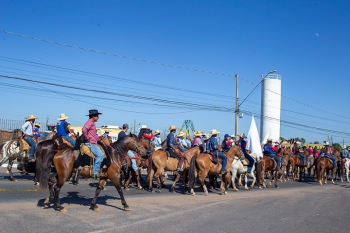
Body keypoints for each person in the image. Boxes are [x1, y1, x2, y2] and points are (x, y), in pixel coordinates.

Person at [82, 109, 104, 178]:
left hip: (93, 142)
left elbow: (92, 135)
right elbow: (83, 129)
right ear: (93, 116)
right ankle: (95, 172)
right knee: (100, 155)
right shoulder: (90, 122)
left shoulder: (91, 123)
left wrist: (98, 137)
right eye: (97, 116)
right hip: (91, 143)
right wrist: (86, 137)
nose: (98, 117)